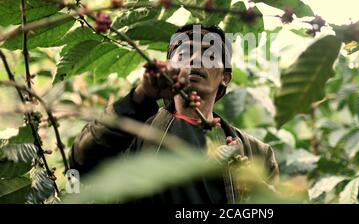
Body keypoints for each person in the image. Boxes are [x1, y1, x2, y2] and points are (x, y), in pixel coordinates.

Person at [69, 24, 279, 203]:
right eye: (184, 53)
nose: (196, 60)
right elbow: (81, 165)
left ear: (225, 77)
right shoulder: (133, 129)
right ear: (170, 66)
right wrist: (141, 96)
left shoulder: (256, 153)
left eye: (209, 54)